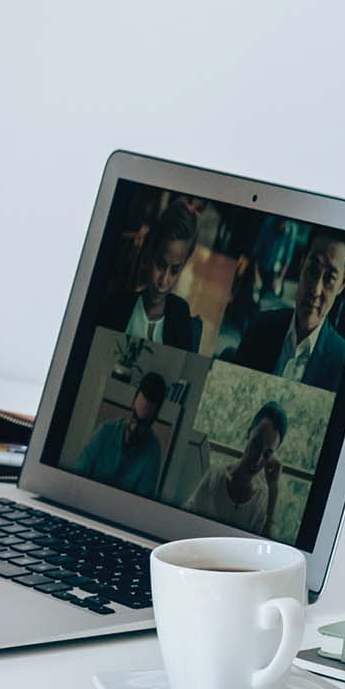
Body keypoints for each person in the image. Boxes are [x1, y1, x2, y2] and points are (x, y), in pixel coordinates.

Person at [228, 226, 345, 391]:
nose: (316, 290)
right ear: (302, 264)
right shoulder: (259, 327)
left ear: (343, 283)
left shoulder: (343, 360)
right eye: (312, 270)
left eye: (330, 278)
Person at [98, 201, 199, 351]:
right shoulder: (116, 307)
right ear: (149, 256)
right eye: (160, 265)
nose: (163, 282)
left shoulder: (181, 314)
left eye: (175, 270)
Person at [185, 403, 287, 535]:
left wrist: (273, 490)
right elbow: (188, 519)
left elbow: (269, 547)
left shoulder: (261, 502)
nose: (257, 459)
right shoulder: (215, 477)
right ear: (248, 433)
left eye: (267, 454)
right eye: (256, 444)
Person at [72, 372, 169, 497]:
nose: (134, 429)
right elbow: (76, 477)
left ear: (154, 419)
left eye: (143, 423)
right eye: (134, 416)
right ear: (132, 404)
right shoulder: (105, 431)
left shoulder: (152, 452)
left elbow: (142, 504)